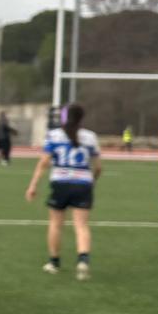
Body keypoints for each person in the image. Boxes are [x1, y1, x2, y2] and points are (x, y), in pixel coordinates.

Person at [23, 104, 101, 279]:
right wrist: (92, 181)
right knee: (81, 225)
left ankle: (54, 262)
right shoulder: (90, 137)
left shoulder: (54, 135)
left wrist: (33, 185)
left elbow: (43, 163)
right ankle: (83, 260)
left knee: (56, 224)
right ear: (82, 118)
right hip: (83, 183)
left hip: (60, 182)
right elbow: (98, 167)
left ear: (65, 117)